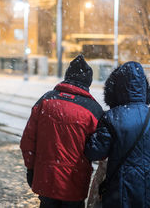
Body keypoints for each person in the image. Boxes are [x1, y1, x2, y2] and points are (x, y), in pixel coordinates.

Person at [85, 61, 150, 208]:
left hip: (120, 191)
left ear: (116, 88)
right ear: (144, 87)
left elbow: (95, 151)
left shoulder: (112, 117)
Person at [20, 55, 103, 208]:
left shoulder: (46, 100)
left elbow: (28, 140)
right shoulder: (93, 110)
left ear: (67, 76)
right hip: (74, 183)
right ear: (87, 82)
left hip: (45, 179)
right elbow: (99, 150)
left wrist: (30, 169)